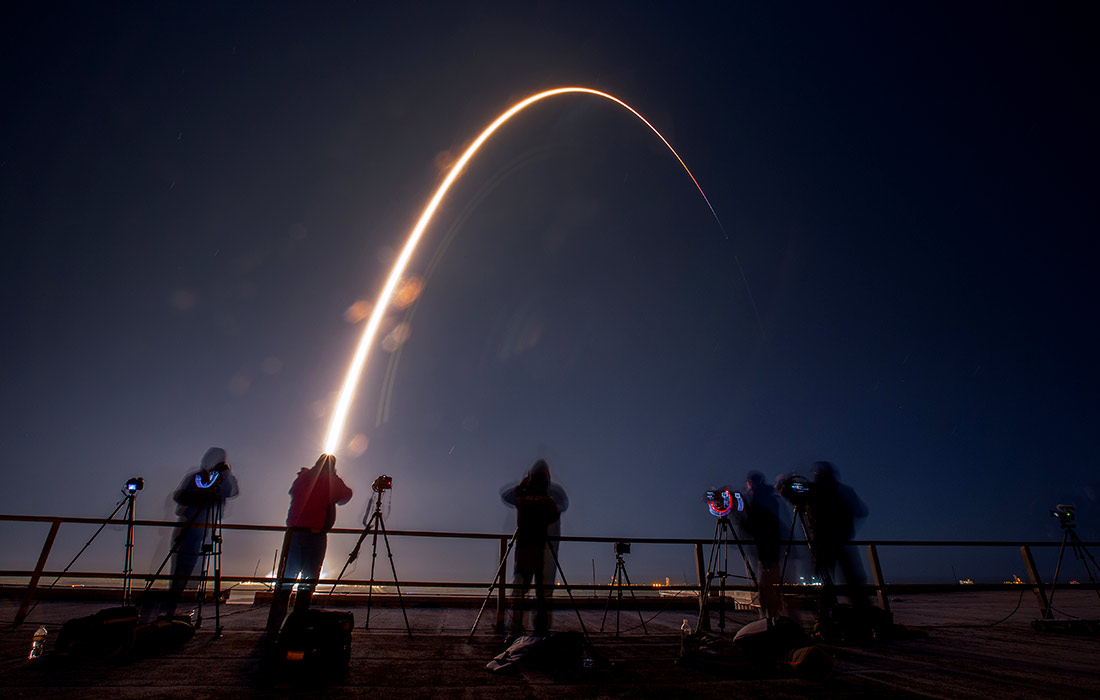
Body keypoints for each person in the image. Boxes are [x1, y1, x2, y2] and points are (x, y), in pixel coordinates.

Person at [265, 453, 353, 633]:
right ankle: (297, 626)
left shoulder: (303, 477)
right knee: (307, 582)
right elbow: (346, 495)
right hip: (314, 535)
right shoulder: (330, 482)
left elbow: (294, 492)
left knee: (285, 581)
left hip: (293, 534)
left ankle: (273, 628)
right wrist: (333, 476)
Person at [164, 446, 239, 617]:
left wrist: (225, 475)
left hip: (206, 527)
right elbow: (180, 496)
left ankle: (182, 605)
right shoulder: (197, 477)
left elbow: (232, 492)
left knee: (196, 566)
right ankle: (173, 603)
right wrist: (201, 497)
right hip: (190, 526)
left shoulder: (223, 479)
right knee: (183, 565)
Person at [500, 460, 568, 637]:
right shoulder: (544, 494)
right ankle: (530, 629)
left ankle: (523, 629)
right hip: (534, 548)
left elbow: (506, 496)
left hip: (532, 548)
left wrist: (523, 490)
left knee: (530, 588)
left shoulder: (528, 493)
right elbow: (557, 511)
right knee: (532, 590)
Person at [803, 461, 869, 615]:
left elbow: (792, 494)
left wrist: (783, 486)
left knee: (823, 581)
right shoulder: (844, 490)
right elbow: (860, 511)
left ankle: (826, 615)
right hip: (842, 541)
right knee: (853, 580)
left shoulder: (812, 491)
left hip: (822, 543)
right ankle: (862, 613)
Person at [738, 471, 783, 618]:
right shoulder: (772, 498)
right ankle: (775, 619)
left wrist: (741, 513)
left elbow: (752, 525)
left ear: (751, 483)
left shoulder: (757, 501)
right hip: (775, 549)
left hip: (764, 551)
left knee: (765, 589)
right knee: (774, 588)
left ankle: (768, 621)